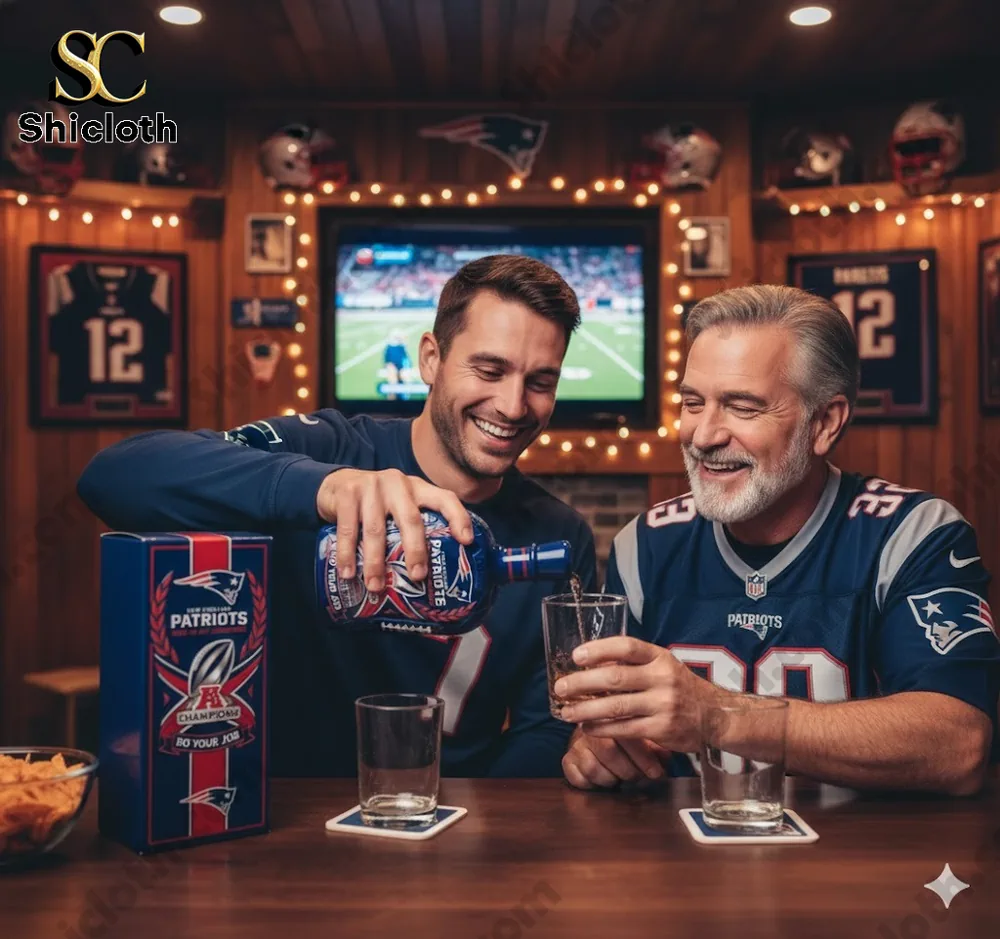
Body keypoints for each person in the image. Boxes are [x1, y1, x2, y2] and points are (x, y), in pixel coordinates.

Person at [78, 254, 597, 778]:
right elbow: (114, 476)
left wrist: (467, 823)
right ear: (431, 359)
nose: (512, 405)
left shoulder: (558, 534)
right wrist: (322, 488)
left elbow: (547, 728)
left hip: (450, 822)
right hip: (284, 815)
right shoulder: (327, 448)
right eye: (489, 370)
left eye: (540, 381)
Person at [559, 284, 1000, 795]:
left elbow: (958, 743)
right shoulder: (645, 544)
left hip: (863, 865)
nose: (703, 436)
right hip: (684, 862)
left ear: (824, 423)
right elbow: (613, 736)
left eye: (741, 407)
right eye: (693, 402)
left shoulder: (911, 534)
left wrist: (719, 718)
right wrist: (600, 751)